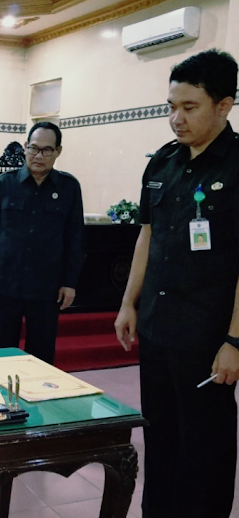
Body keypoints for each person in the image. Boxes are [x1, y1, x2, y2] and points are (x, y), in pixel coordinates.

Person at [114, 49, 239, 518]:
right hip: (157, 326)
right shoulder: (162, 163)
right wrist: (129, 303)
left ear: (224, 106)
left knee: (205, 448)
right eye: (171, 106)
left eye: (189, 107)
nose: (176, 119)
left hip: (207, 336)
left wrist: (235, 341)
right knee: (161, 439)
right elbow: (146, 237)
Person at [0, 122, 84, 364]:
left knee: (41, 355)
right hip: (6, 283)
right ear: (25, 147)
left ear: (58, 151)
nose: (38, 156)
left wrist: (70, 282)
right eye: (34, 148)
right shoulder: (5, 184)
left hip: (47, 286)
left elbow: (75, 238)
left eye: (47, 150)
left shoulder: (68, 187)